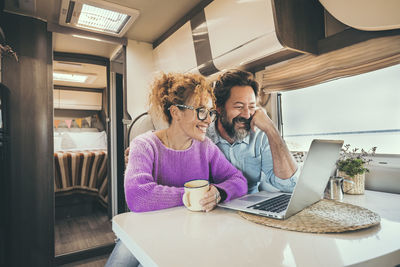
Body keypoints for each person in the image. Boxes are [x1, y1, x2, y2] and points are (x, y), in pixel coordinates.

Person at [106, 72, 248, 267]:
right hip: (146, 230)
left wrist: (219, 192)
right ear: (176, 112)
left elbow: (239, 180)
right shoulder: (144, 145)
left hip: (191, 233)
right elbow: (138, 196)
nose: (208, 120)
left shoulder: (205, 147)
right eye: (201, 111)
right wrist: (195, 196)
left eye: (210, 112)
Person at [206, 69, 298, 194]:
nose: (247, 114)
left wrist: (271, 129)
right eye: (239, 107)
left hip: (252, 206)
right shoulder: (203, 139)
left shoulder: (260, 135)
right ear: (220, 108)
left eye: (251, 106)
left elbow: (288, 185)